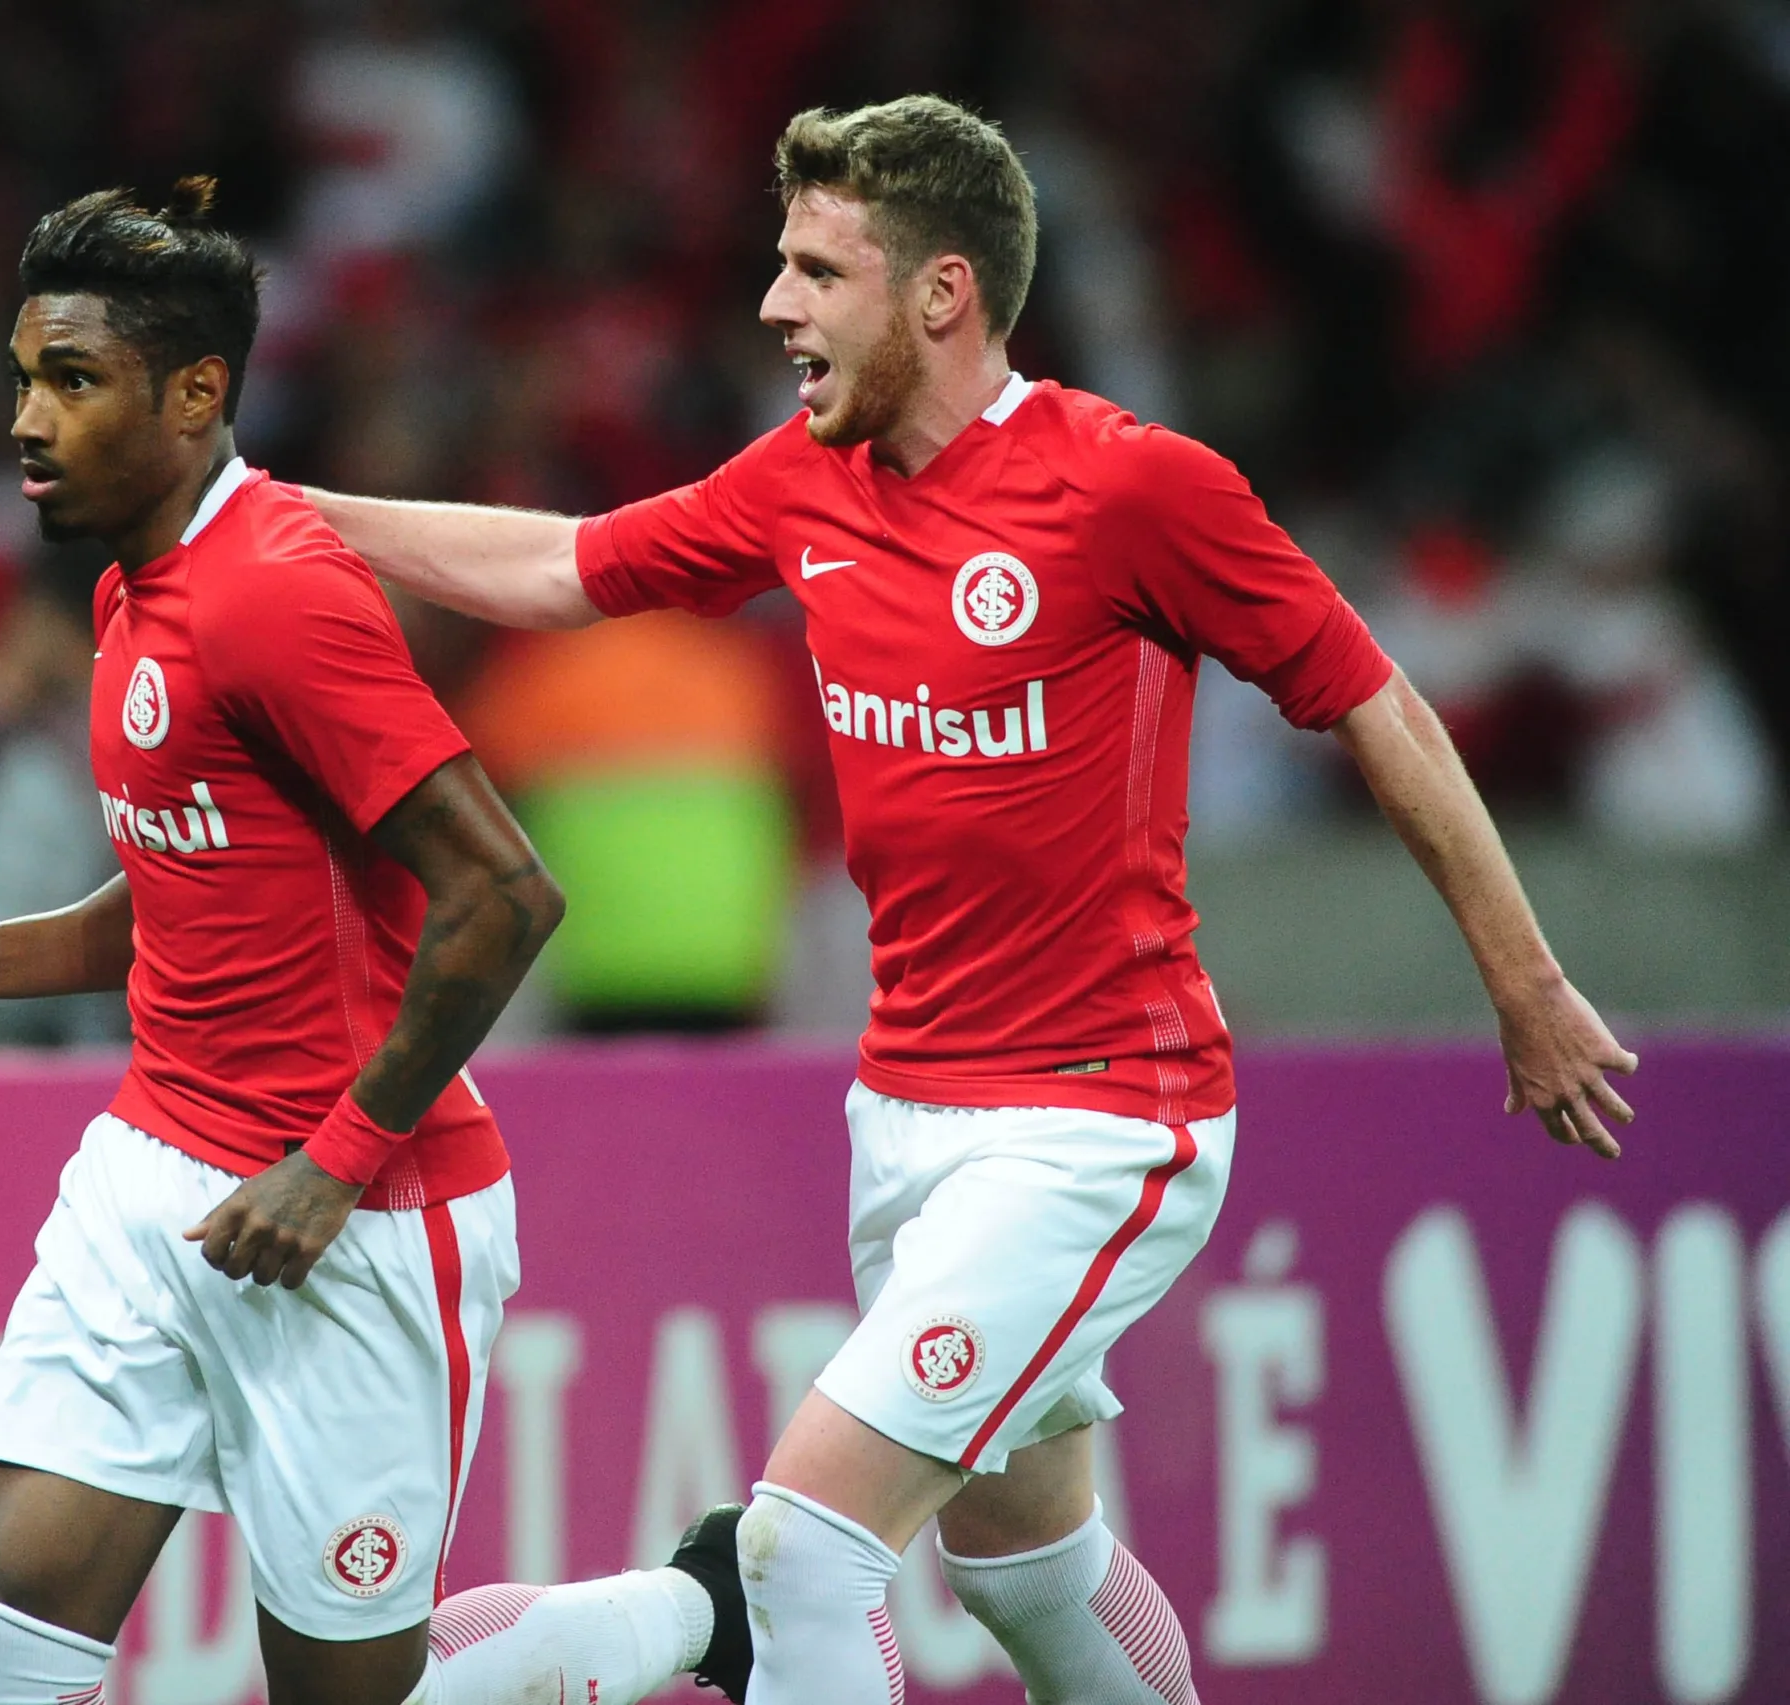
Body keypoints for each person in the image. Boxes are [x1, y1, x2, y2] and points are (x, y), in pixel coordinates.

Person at [307, 97, 1640, 1705]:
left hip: (1095, 1125)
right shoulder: (806, 481)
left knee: (804, 1550)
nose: (773, 306)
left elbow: (1379, 704)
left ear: (940, 293)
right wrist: (285, 519)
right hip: (907, 1121)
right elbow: (561, 564)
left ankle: (691, 1619)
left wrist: (1526, 981)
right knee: (1029, 1566)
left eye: (816, 270)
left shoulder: (1134, 489)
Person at [0, 182, 746, 1705]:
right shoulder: (134, 581)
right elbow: (191, 896)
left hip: (352, 1223)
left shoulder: (277, 600)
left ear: (195, 395)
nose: (25, 424)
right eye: (21, 379)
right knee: (9, 1636)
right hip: (155, 1176)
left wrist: (334, 1160)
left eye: (72, 381)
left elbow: (506, 894)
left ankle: (696, 1613)